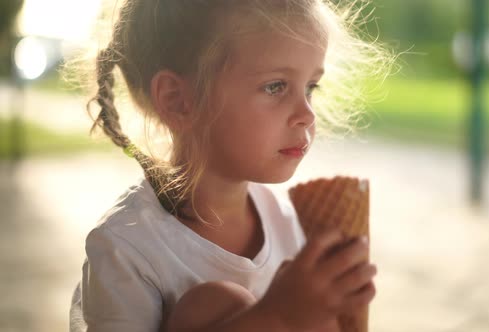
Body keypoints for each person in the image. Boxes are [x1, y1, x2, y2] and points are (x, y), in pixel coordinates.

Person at [68, 0, 393, 331]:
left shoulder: (289, 222)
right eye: (276, 86)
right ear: (178, 101)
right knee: (210, 304)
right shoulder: (126, 248)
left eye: (311, 88)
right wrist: (277, 318)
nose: (307, 114)